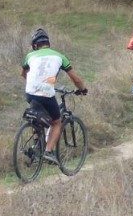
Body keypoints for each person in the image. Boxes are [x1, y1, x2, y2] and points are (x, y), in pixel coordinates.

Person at [21, 30, 87, 163]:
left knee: (37, 115)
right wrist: (83, 90)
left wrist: (38, 83)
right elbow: (76, 80)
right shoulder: (60, 56)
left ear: (35, 45)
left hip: (30, 92)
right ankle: (48, 152)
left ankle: (36, 143)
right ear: (48, 43)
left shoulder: (29, 56)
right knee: (56, 122)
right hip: (46, 93)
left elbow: (24, 74)